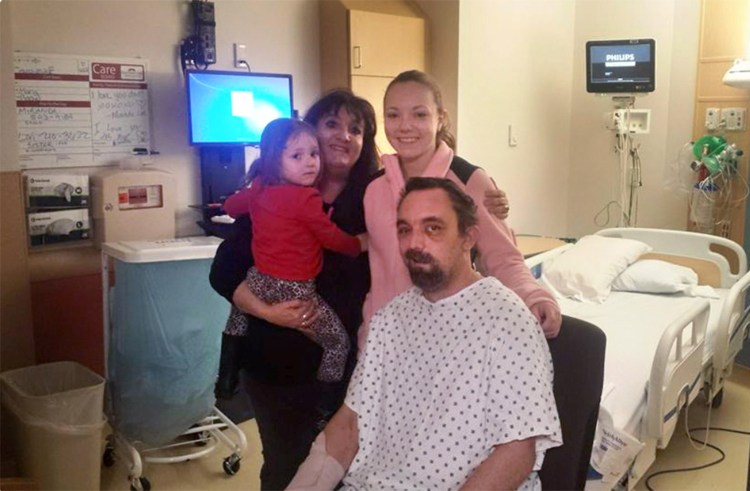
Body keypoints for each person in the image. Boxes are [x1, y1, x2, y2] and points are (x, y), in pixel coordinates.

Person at [209, 89, 511, 490]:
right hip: (275, 365)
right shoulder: (273, 190)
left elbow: (438, 198)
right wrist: (268, 312)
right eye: (332, 124)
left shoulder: (378, 193)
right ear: (307, 132)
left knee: (346, 471)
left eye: (357, 129)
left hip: (350, 368)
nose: (343, 136)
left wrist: (484, 192)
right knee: (286, 467)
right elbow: (224, 272)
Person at [287, 177, 562, 491]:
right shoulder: (392, 318)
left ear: (468, 237)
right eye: (405, 229)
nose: (414, 243)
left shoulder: (505, 320)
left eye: (433, 228)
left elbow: (517, 452)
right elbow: (351, 423)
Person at [360, 69, 561, 350]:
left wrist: (534, 296)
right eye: (393, 115)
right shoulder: (373, 189)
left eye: (419, 114)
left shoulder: (469, 181)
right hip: (383, 342)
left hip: (450, 342)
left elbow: (502, 257)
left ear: (440, 117)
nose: (404, 125)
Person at [222, 118, 366, 383]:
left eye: (313, 154)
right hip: (295, 289)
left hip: (259, 279)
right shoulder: (306, 199)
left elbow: (230, 207)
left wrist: (252, 199)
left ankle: (227, 374)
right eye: (297, 156)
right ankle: (326, 400)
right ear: (274, 161)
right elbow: (331, 238)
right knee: (337, 343)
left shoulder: (260, 187)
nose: (310, 162)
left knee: (239, 309)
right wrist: (359, 244)